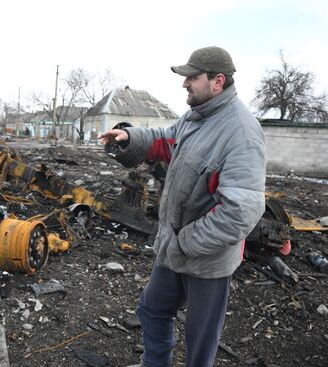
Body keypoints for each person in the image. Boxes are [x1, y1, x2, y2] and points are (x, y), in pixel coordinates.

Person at [98, 46, 266, 367]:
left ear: (218, 81)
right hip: (174, 250)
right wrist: (129, 138)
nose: (184, 84)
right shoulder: (195, 116)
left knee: (199, 341)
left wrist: (186, 241)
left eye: (192, 77)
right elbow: (166, 138)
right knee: (152, 310)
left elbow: (240, 211)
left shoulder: (241, 132)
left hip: (207, 259)